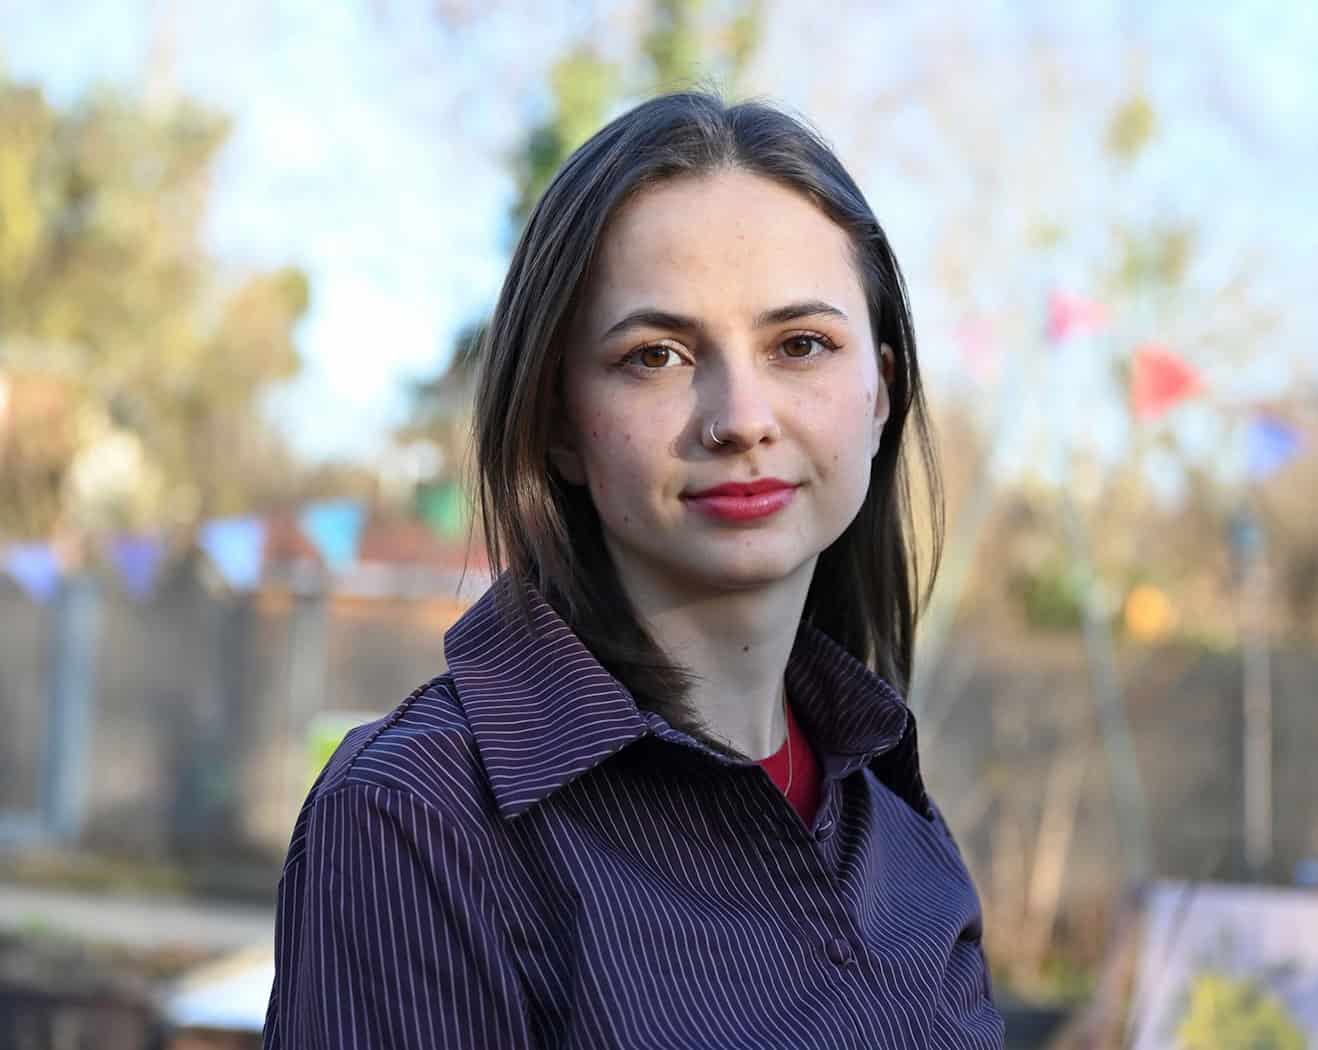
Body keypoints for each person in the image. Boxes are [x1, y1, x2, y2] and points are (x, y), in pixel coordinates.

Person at [264, 91, 1004, 1049]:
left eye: (801, 345)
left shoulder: (898, 821)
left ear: (879, 397)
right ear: (559, 424)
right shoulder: (420, 816)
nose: (740, 415)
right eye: (655, 355)